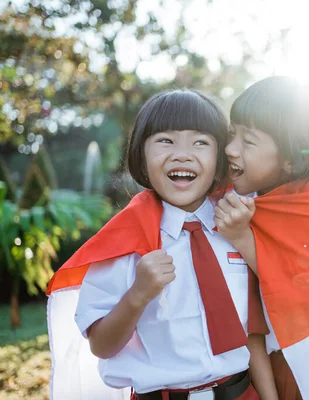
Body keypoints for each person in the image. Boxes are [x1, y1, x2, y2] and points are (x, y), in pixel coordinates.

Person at [46, 89, 278, 400]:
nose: (183, 154)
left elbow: (255, 331)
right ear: (141, 155)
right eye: (165, 141)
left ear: (220, 156)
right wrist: (137, 295)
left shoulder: (237, 224)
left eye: (200, 142)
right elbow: (101, 346)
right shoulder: (123, 244)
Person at [214, 77, 309, 400]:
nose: (229, 148)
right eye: (232, 133)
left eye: (248, 141)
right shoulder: (253, 194)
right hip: (253, 364)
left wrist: (242, 237)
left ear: (292, 160)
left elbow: (300, 286)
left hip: (304, 364)